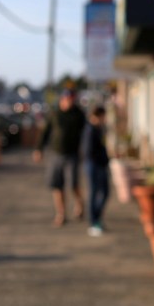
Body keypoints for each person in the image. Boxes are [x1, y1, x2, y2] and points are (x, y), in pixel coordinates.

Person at [33, 89, 86, 227]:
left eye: (71, 99)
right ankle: (61, 213)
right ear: (62, 99)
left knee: (73, 183)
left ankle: (79, 203)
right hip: (56, 153)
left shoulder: (78, 114)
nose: (69, 101)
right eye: (67, 99)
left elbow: (86, 133)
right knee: (57, 186)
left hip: (72, 154)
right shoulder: (55, 114)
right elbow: (45, 131)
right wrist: (39, 149)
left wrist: (84, 149)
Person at [81, 105, 110, 236]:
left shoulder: (99, 128)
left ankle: (97, 218)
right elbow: (89, 151)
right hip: (94, 165)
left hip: (100, 165)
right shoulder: (90, 130)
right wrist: (101, 159)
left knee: (104, 192)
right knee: (94, 193)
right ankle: (93, 221)